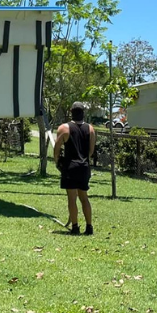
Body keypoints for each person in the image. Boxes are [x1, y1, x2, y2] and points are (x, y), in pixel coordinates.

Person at [54, 101, 96, 235]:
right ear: (83, 113)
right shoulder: (90, 129)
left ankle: (75, 227)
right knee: (84, 197)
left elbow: (56, 148)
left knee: (72, 198)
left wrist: (57, 162)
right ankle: (89, 227)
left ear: (71, 111)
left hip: (70, 167)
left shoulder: (63, 128)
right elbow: (91, 151)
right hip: (84, 167)